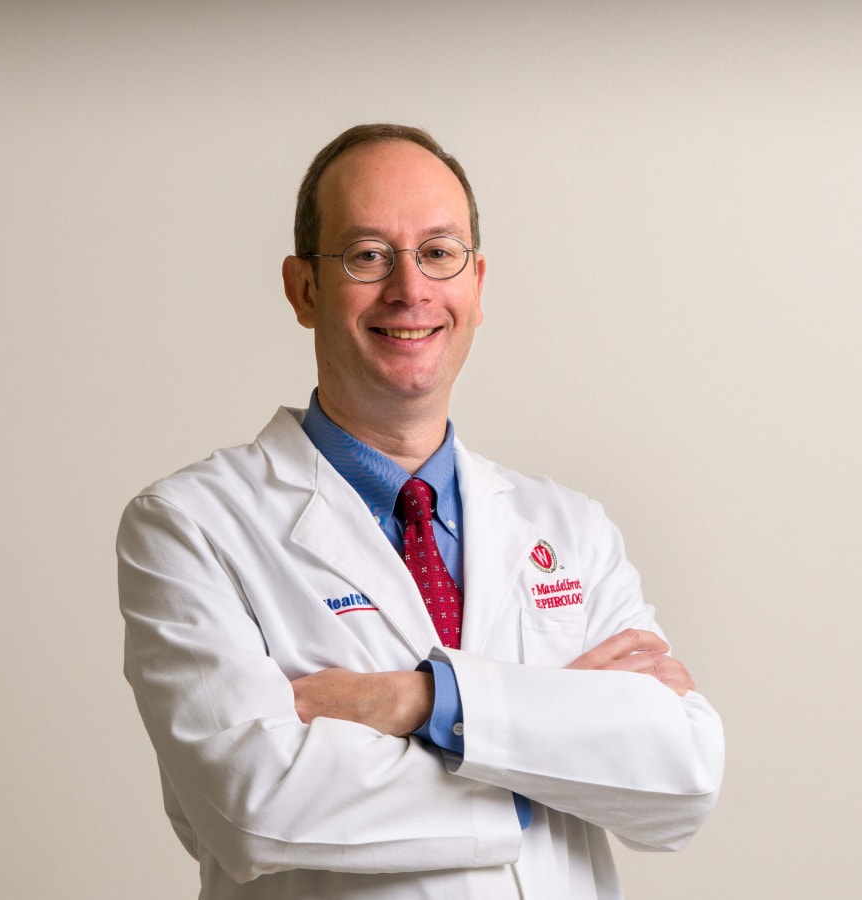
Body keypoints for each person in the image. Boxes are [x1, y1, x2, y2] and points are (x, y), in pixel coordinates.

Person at [117, 123, 724, 900]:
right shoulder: (190, 526)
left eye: (439, 253)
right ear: (304, 289)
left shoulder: (570, 530)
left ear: (476, 284)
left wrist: (427, 700)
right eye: (368, 255)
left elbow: (680, 781)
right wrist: (563, 756)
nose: (411, 289)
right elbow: (254, 807)